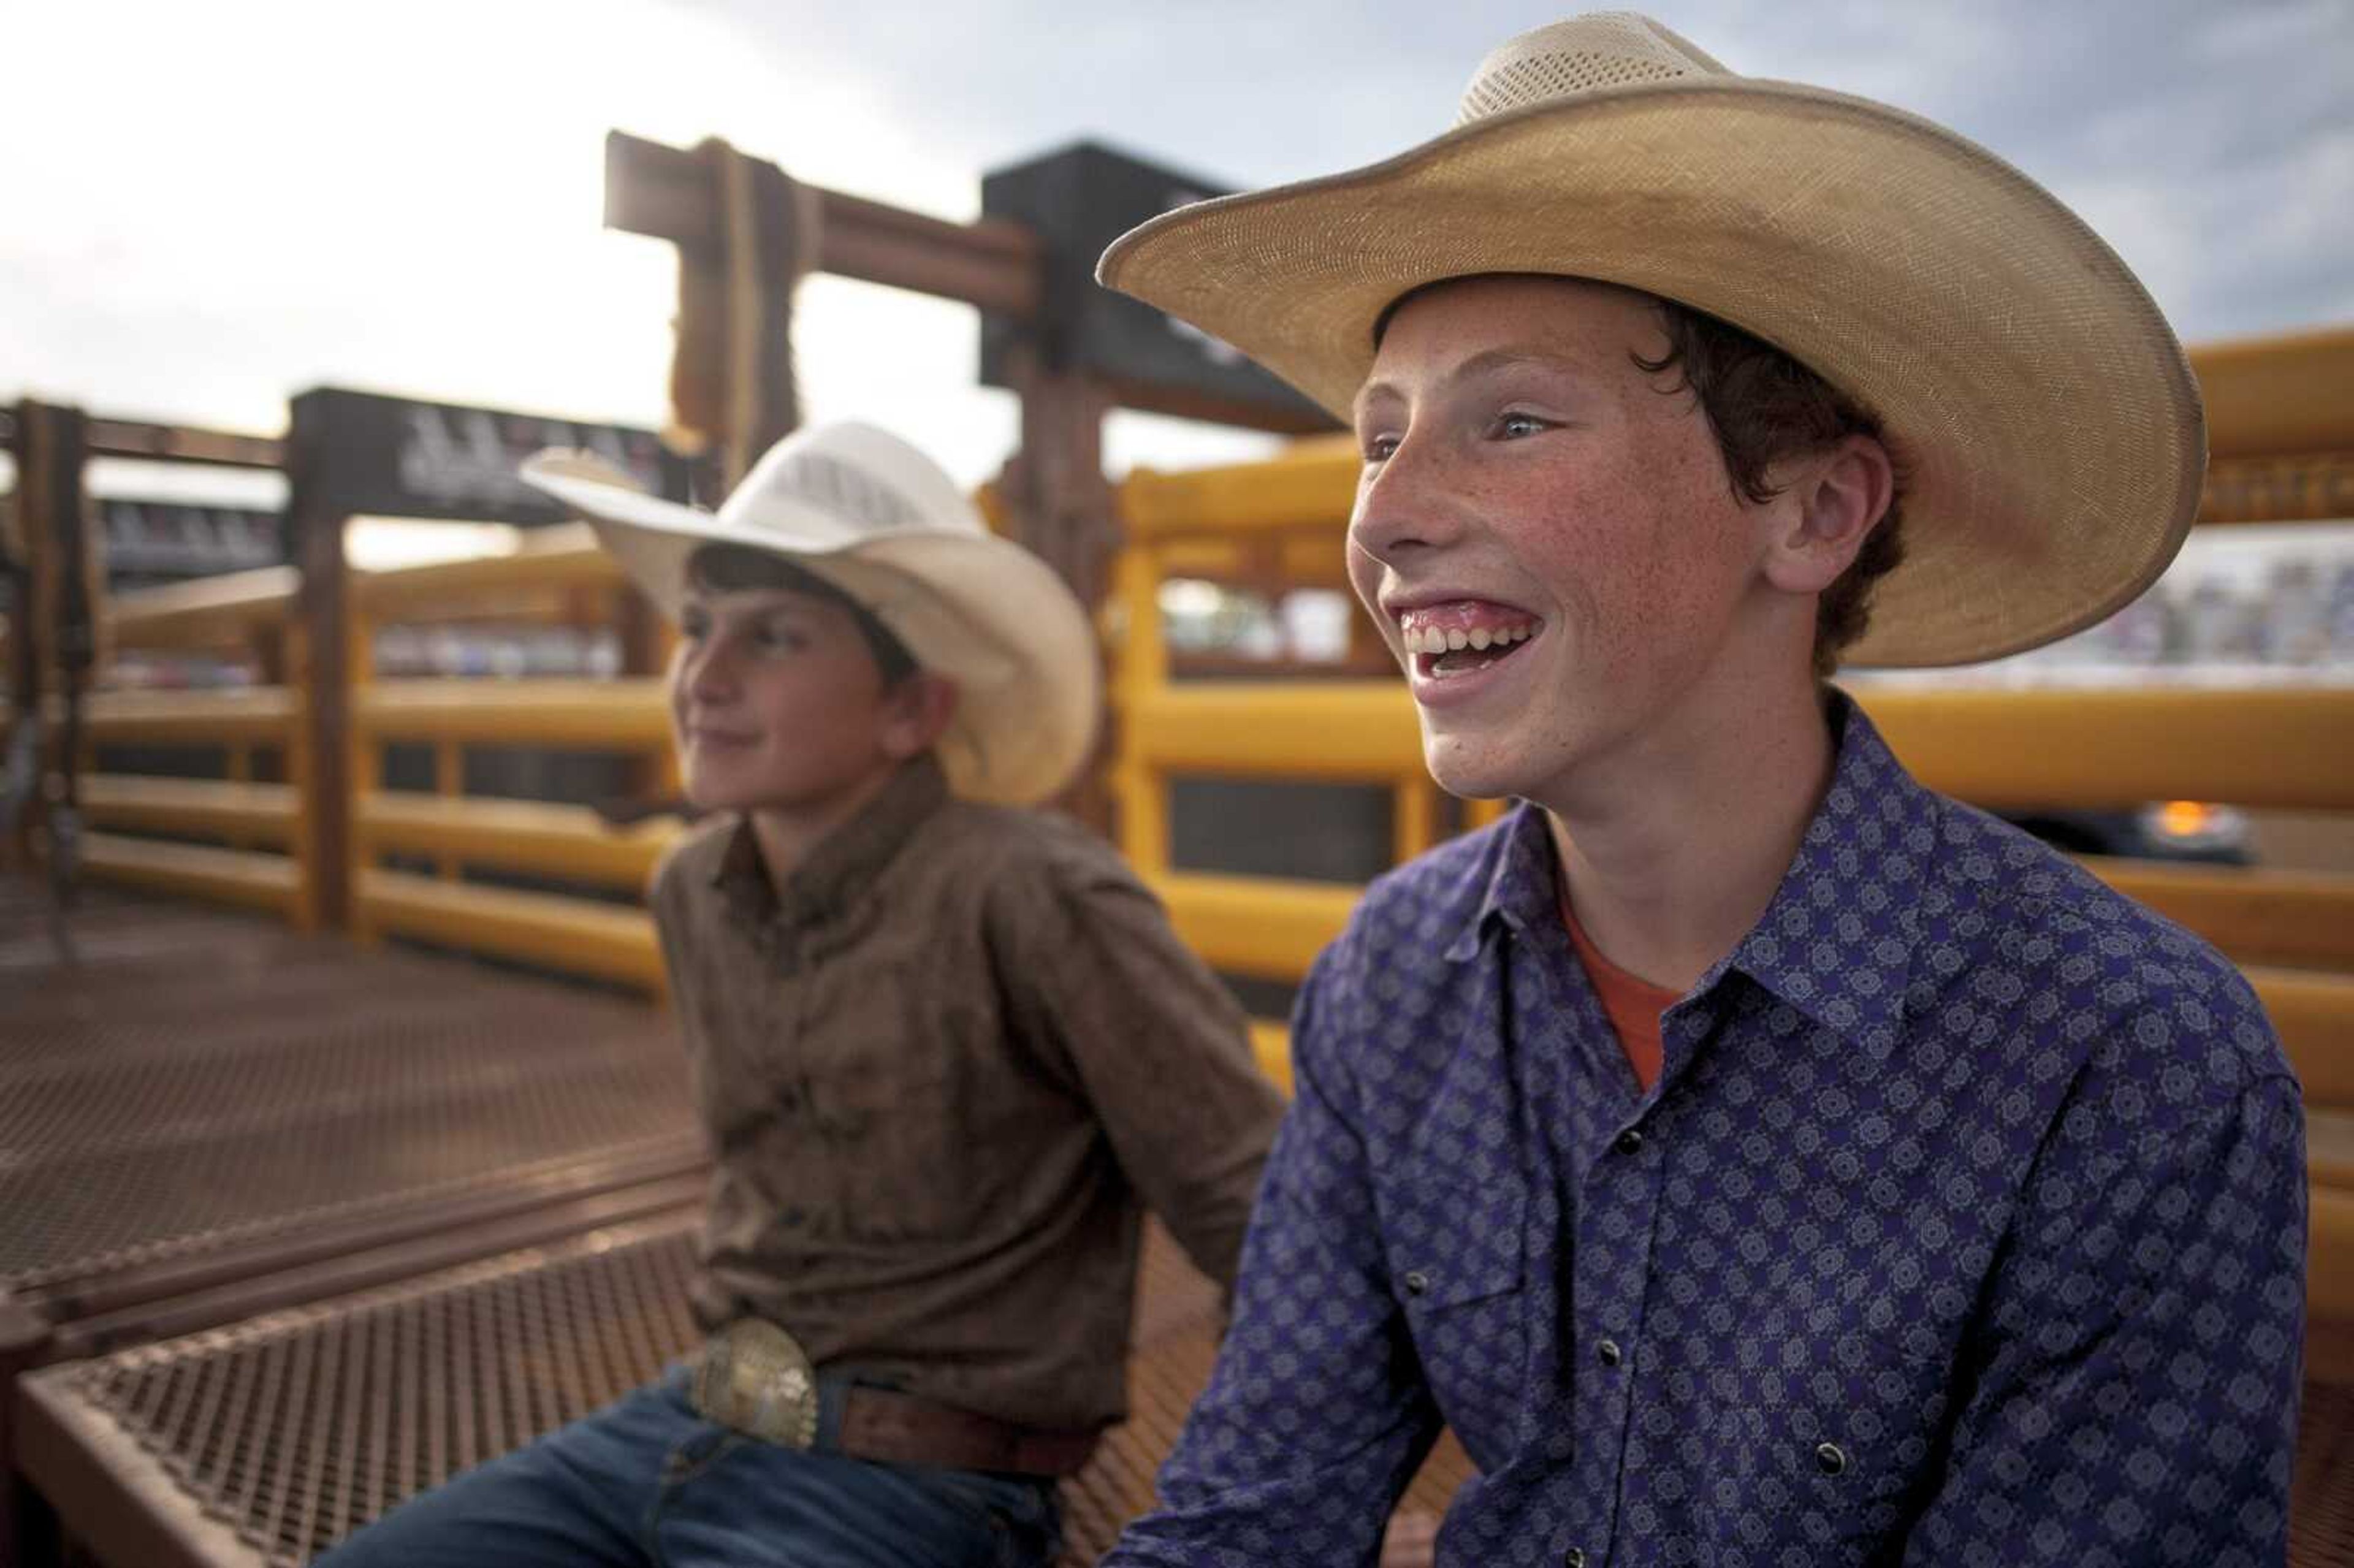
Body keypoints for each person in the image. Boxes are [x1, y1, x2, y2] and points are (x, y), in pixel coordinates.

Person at [1095, 13, 2307, 1566]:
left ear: (1810, 513)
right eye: (1377, 438)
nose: (1383, 521)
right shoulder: (1388, 989)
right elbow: (1256, 1509)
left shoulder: (2130, 1075)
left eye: (1511, 419)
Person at [316, 421, 1286, 1567]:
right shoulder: (697, 889)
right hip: (693, 1417)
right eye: (697, 628)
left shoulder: (1035, 895)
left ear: (911, 711)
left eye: (772, 637)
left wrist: (1281, 1512)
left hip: (918, 1485)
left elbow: (1256, 1206)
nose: (706, 676)